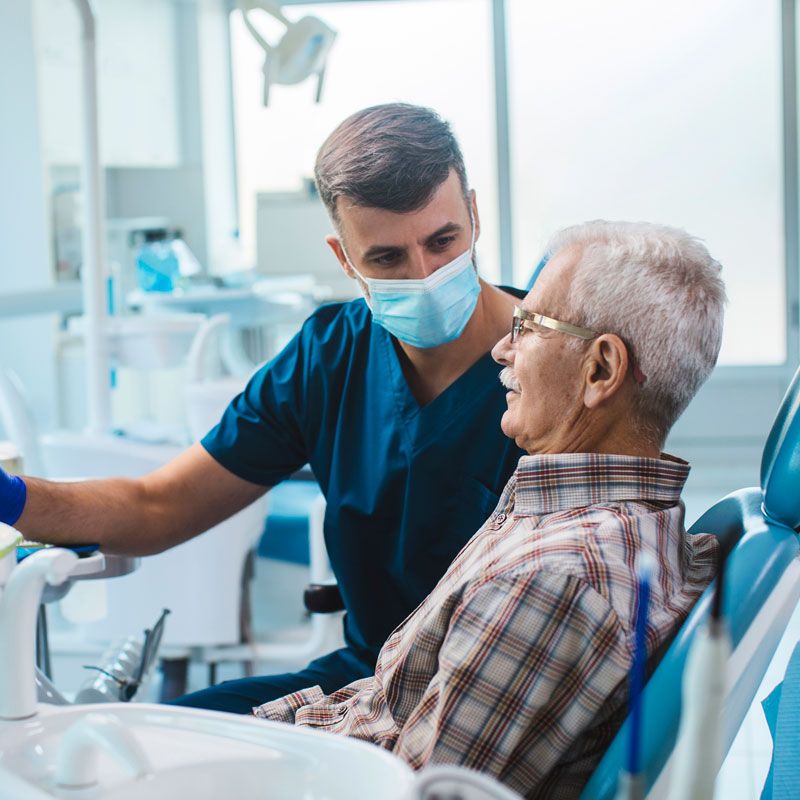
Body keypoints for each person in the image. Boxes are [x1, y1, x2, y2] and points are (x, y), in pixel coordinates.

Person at [0, 104, 525, 711]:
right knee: (157, 740)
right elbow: (158, 504)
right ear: (343, 257)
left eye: (442, 241)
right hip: (368, 678)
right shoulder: (330, 357)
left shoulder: (553, 361)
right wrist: (12, 498)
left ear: (476, 216)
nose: (426, 273)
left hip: (491, 691)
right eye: (387, 259)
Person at [248, 220, 725, 799]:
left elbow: (414, 793)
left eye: (527, 326)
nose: (502, 347)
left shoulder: (553, 582)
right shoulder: (605, 523)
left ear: (600, 370)